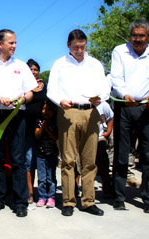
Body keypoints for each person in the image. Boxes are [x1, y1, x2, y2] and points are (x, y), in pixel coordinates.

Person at [110, 19, 149, 213]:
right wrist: (124, 94)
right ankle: (118, 196)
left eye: (141, 36)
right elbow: (116, 78)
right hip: (125, 106)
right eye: (134, 35)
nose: (137, 39)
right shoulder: (120, 51)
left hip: (148, 108)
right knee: (121, 153)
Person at [47, 29, 109, 217]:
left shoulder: (95, 64)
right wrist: (60, 101)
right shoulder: (60, 64)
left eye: (82, 47)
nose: (79, 50)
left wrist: (101, 98)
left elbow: (105, 87)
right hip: (69, 112)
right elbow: (52, 90)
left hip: (91, 111)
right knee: (68, 160)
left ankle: (89, 201)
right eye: (76, 47)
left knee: (89, 160)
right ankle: (68, 201)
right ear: (68, 46)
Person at [0, 29, 37, 217]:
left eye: (15, 43)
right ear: (0, 44)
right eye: (11, 43)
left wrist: (23, 99)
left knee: (18, 159)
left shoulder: (21, 65)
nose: (14, 46)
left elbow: (31, 91)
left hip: (16, 116)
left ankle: (20, 202)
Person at [24, 59, 47, 204]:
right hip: (26, 128)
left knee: (44, 161)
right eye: (30, 69)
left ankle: (45, 193)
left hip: (44, 128)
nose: (33, 72)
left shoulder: (45, 86)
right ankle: (30, 192)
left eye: (35, 69)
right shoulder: (23, 86)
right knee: (28, 160)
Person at [34, 100, 59, 208]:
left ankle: (51, 197)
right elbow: (36, 135)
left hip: (52, 153)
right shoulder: (39, 121)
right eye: (43, 109)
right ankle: (42, 197)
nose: (45, 112)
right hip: (40, 154)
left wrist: (47, 129)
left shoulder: (55, 122)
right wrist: (42, 128)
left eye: (48, 110)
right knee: (42, 177)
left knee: (51, 177)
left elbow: (56, 137)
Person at [95, 100, 114, 197]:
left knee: (103, 164)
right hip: (83, 138)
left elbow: (110, 117)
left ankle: (107, 187)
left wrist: (108, 132)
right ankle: (75, 188)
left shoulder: (102, 104)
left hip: (99, 137)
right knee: (78, 164)